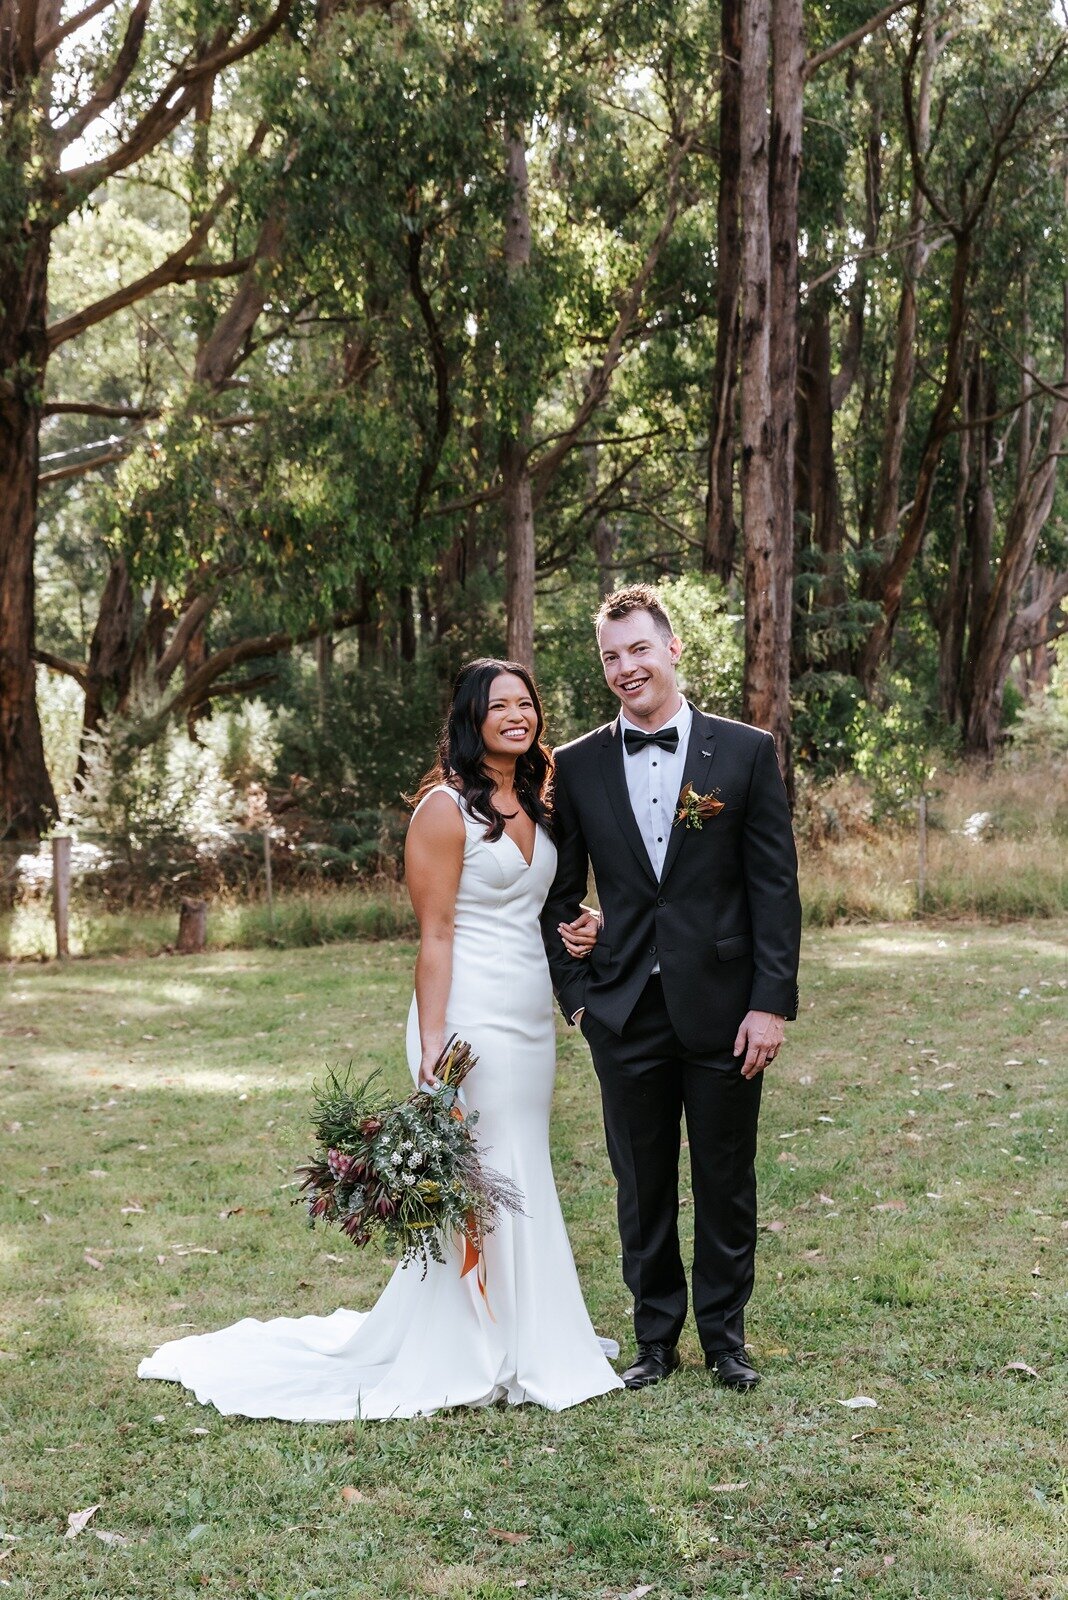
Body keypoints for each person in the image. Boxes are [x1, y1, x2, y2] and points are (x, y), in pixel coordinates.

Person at [138, 658, 621, 1419]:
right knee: (478, 1173)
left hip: (530, 1013)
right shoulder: (442, 810)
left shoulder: (540, 798)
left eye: (525, 703)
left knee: (520, 1164)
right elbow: (434, 934)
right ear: (470, 719)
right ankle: (474, 1341)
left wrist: (585, 925)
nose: (516, 716)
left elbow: (547, 905)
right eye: (499, 706)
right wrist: (433, 1042)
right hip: (466, 1015)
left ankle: (531, 1329)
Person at [542, 584, 801, 1392]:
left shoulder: (747, 751)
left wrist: (770, 1002)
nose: (626, 668)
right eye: (611, 656)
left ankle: (726, 1340)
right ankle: (653, 1339)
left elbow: (775, 890)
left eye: (639, 650)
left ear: (673, 648)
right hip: (622, 1012)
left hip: (726, 1010)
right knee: (641, 1184)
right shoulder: (577, 766)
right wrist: (579, 997)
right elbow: (556, 895)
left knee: (726, 1179)